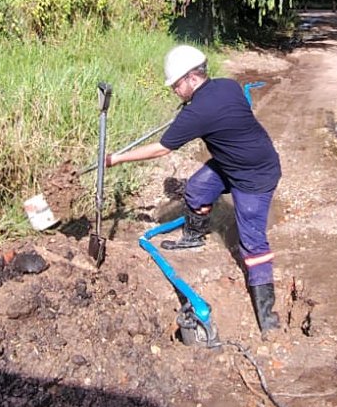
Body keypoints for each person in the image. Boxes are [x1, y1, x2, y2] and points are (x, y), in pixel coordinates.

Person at [105, 45, 282, 336]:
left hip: (255, 176)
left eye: (176, 84)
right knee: (198, 188)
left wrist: (117, 158)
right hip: (233, 162)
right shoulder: (228, 86)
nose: (174, 90)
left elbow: (161, 149)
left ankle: (268, 318)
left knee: (253, 243)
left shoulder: (197, 112)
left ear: (191, 78)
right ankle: (194, 237)